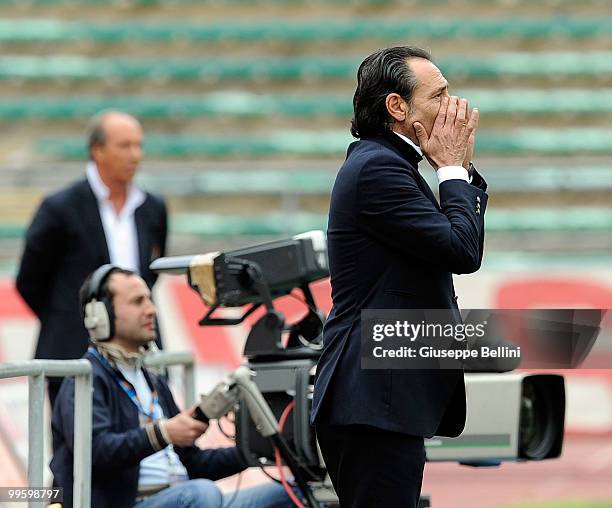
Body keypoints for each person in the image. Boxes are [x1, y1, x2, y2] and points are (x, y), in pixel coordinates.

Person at [311, 46, 488, 507]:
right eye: (440, 95)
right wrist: (452, 170)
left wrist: (456, 173)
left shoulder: (388, 165)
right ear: (397, 106)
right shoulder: (377, 168)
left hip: (381, 401)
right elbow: (462, 250)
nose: (453, 107)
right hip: (371, 400)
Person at [51, 265, 295, 508]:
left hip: (187, 497)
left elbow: (194, 464)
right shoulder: (84, 379)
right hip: (144, 502)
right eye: (138, 302)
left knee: (296, 492)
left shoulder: (151, 379)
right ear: (100, 315)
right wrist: (163, 433)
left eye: (150, 299)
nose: (152, 310)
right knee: (201, 494)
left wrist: (264, 448)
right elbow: (96, 452)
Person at [16, 111, 168, 409]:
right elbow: (30, 280)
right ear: (97, 150)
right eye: (124, 146)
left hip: (140, 352)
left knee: (149, 442)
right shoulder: (59, 207)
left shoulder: (153, 207)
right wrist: (71, 320)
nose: (135, 155)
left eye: (139, 145)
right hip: (73, 351)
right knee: (77, 449)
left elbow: (151, 273)